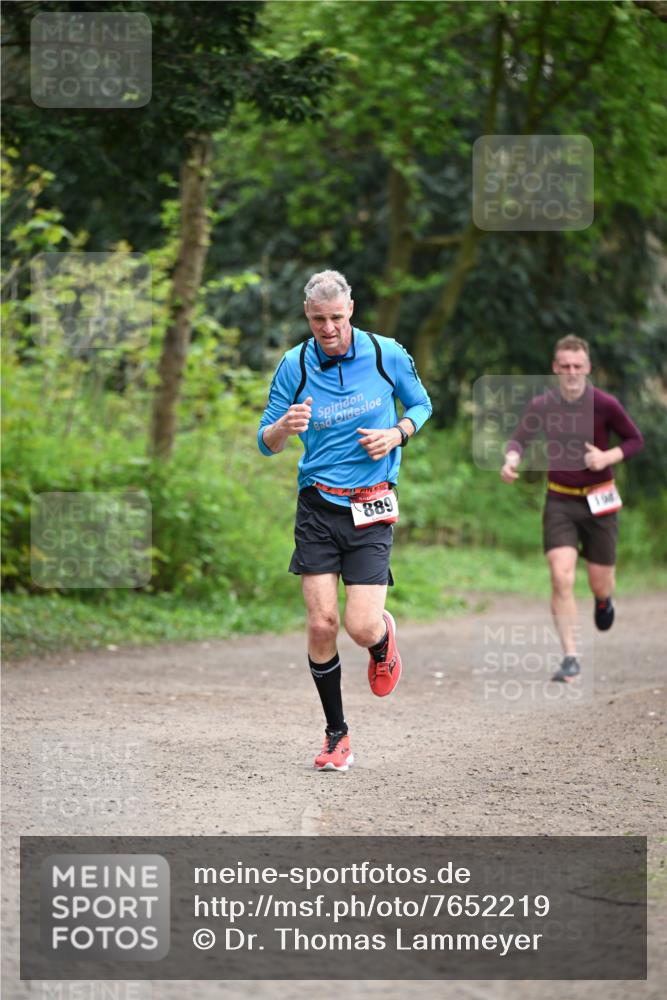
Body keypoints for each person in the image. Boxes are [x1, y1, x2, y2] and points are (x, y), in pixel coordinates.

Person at [258, 270, 432, 770]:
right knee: (321, 623)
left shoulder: (385, 354)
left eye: (336, 318)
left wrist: (397, 433)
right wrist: (282, 428)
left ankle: (381, 639)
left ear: (351, 310)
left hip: (371, 504)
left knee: (357, 625)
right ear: (307, 318)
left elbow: (422, 404)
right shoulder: (294, 364)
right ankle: (337, 735)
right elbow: (264, 440)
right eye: (318, 320)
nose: (328, 329)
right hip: (317, 504)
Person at [500, 335, 643, 682]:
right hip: (561, 499)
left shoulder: (605, 404)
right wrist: (511, 459)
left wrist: (606, 457)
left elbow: (635, 439)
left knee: (599, 582)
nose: (572, 372)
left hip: (600, 499)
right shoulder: (543, 405)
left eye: (578, 366)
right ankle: (571, 657)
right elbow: (520, 438)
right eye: (565, 366)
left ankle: (604, 600)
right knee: (560, 575)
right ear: (555, 368)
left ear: (588, 368)